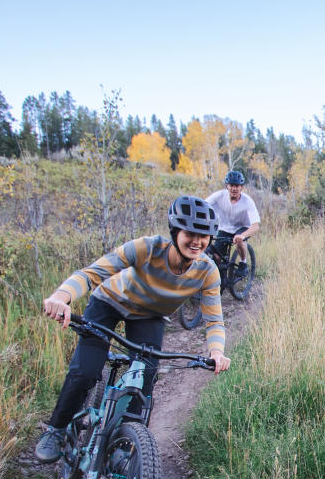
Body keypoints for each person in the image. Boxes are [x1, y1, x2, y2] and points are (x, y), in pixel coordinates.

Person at [34, 195, 231, 463]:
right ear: (175, 232)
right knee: (85, 371)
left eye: (204, 235)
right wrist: (61, 297)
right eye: (190, 233)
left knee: (145, 377)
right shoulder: (147, 248)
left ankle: (123, 445)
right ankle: (56, 430)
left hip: (149, 316)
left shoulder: (207, 271)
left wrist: (217, 352)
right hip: (109, 304)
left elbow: (214, 320)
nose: (197, 241)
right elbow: (91, 274)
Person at [205, 169, 260, 278]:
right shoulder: (219, 195)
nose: (234, 188)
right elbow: (203, 205)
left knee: (239, 240)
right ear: (227, 186)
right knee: (216, 256)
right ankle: (221, 277)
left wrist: (243, 235)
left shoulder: (247, 201)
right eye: (231, 185)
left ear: (241, 187)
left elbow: (256, 225)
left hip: (242, 227)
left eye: (237, 186)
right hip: (224, 228)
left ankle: (243, 263)